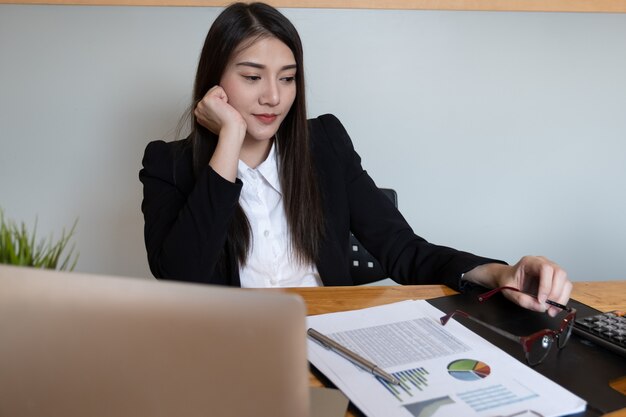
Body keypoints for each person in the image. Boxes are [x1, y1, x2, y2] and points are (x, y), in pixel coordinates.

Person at [139, 2, 571, 317]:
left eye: (287, 79)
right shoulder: (167, 166)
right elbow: (182, 281)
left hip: (332, 339)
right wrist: (229, 139)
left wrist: (498, 274)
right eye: (252, 77)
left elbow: (404, 250)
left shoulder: (324, 143)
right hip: (226, 351)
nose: (273, 96)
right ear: (215, 82)